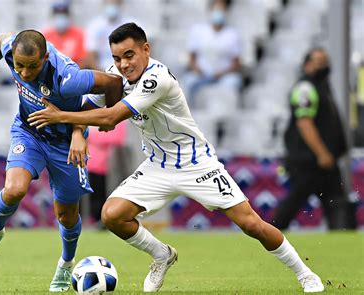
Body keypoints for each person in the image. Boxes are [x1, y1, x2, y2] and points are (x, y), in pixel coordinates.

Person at [28, 23, 325, 293]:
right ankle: (161, 255)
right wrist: (78, 132)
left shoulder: (156, 79)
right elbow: (90, 107)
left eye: (129, 55)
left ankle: (304, 274)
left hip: (197, 164)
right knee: (111, 215)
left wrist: (60, 116)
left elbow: (111, 116)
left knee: (251, 224)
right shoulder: (115, 75)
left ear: (146, 49)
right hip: (158, 165)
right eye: (117, 58)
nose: (123, 64)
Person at [0, 29, 122, 292]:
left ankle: (66, 263)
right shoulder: (11, 49)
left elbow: (112, 83)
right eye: (19, 66)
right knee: (15, 189)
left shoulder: (68, 79)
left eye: (32, 67)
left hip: (65, 145)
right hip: (29, 132)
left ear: (46, 57)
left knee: (66, 214)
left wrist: (91, 127)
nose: (25, 73)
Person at [274, 48, 354, 230]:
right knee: (294, 202)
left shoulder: (322, 87)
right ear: (307, 65)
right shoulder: (305, 88)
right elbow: (305, 123)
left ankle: (343, 241)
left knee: (337, 203)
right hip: (308, 160)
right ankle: (271, 235)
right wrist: (323, 153)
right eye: (319, 61)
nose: (324, 66)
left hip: (325, 161)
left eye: (325, 61)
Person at [183, 0, 242, 107]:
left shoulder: (232, 34)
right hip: (201, 74)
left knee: (233, 82)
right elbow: (191, 57)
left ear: (226, 12)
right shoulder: (198, 30)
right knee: (188, 81)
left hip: (223, 76)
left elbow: (236, 63)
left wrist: (221, 73)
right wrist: (198, 71)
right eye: (216, 9)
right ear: (210, 11)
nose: (218, 12)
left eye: (221, 9)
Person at [85, 120, 127, 228]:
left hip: (109, 168)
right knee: (91, 196)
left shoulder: (121, 118)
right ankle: (93, 221)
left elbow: (117, 138)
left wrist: (91, 134)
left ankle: (102, 221)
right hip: (89, 165)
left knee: (104, 196)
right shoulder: (92, 111)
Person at [84, 0, 134, 70]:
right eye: (109, 3)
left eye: (115, 3)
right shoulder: (95, 25)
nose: (112, 6)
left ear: (120, 4)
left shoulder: (131, 25)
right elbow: (91, 55)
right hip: (103, 70)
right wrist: (102, 76)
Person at [41, 2, 87, 67]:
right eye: (57, 14)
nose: (60, 18)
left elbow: (83, 58)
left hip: (74, 71)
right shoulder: (46, 34)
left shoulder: (78, 34)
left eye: (63, 15)